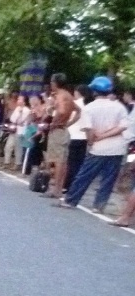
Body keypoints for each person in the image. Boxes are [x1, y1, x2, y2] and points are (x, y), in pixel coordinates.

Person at [58, 76, 129, 213]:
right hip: (118, 148)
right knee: (108, 179)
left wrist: (94, 140)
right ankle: (99, 205)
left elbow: (89, 131)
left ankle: (71, 200)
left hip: (98, 148)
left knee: (85, 175)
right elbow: (122, 127)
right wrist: (106, 135)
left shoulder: (90, 108)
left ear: (94, 91)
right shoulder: (119, 106)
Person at [43, 73, 80, 198]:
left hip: (58, 130)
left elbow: (62, 111)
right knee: (63, 161)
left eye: (52, 82)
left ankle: (56, 190)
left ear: (55, 83)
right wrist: (69, 123)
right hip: (64, 129)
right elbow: (78, 111)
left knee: (58, 161)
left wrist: (55, 122)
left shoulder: (60, 95)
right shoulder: (68, 95)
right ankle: (58, 188)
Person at [64, 84, 93, 192]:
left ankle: (67, 185)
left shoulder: (75, 104)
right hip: (84, 137)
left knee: (70, 162)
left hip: (73, 135)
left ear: (78, 92)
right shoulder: (89, 105)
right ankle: (75, 185)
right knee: (79, 163)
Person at [4, 94, 30, 170]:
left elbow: (21, 121)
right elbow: (12, 119)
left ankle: (17, 163)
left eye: (20, 99)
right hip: (14, 130)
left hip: (21, 131)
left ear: (24, 102)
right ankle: (6, 162)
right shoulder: (17, 108)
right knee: (8, 146)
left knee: (18, 148)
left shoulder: (27, 110)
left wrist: (20, 115)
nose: (18, 101)